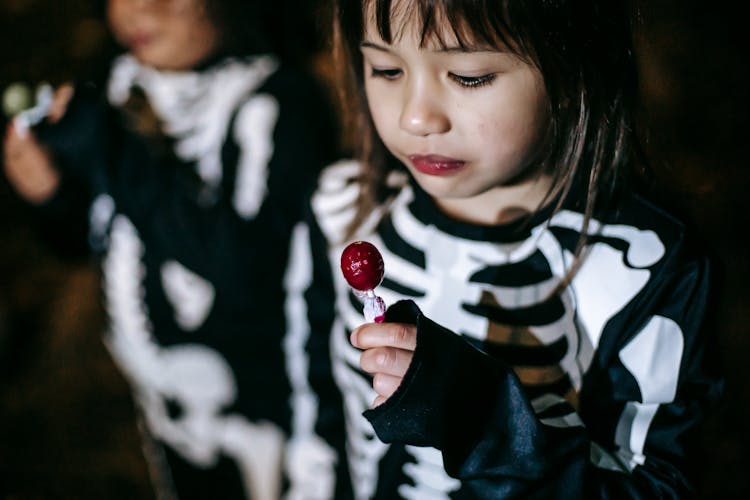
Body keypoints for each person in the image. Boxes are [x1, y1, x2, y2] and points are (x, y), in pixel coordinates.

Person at [290, 0, 724, 498]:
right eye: (386, 69)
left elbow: (658, 487)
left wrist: (484, 420)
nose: (415, 118)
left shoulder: (649, 267)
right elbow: (315, 403)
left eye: (469, 76)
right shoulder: (339, 210)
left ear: (575, 63)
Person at [2, 1, 352, 499]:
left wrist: (109, 149)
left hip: (266, 413)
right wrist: (54, 198)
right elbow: (96, 237)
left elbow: (245, 266)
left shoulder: (280, 103)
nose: (138, 9)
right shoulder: (118, 88)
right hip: (162, 412)